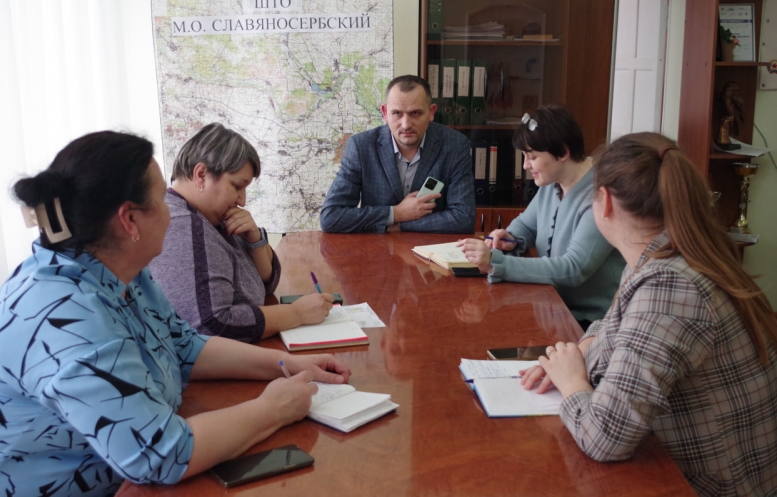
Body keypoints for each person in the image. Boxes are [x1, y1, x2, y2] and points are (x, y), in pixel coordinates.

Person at [0, 131, 350, 496]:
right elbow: (159, 453)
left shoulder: (121, 270)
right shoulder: (65, 314)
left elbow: (183, 344)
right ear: (129, 221)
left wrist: (284, 365)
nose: (171, 212)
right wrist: (272, 409)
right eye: (160, 199)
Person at [521, 133, 777, 496]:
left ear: (605, 202)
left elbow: (604, 438)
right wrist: (580, 351)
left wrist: (573, 382)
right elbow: (611, 324)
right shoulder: (664, 254)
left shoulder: (669, 286)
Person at [148, 123, 334, 343]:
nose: (243, 201)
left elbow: (266, 284)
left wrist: (255, 241)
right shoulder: (184, 227)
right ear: (201, 175)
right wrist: (296, 314)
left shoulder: (212, 216)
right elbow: (212, 325)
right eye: (237, 186)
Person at [457, 105, 625, 326]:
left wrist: (496, 263)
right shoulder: (553, 181)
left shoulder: (599, 196)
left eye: (532, 157)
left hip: (587, 323)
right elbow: (527, 225)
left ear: (562, 152)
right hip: (550, 306)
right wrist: (510, 237)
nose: (525, 165)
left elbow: (573, 269)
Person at [320, 74, 475, 233]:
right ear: (385, 113)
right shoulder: (361, 147)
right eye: (397, 113)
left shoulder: (455, 145)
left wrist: (400, 225)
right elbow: (331, 217)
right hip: (377, 247)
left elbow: (464, 219)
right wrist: (396, 213)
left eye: (415, 113)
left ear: (431, 112)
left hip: (429, 247)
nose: (406, 125)